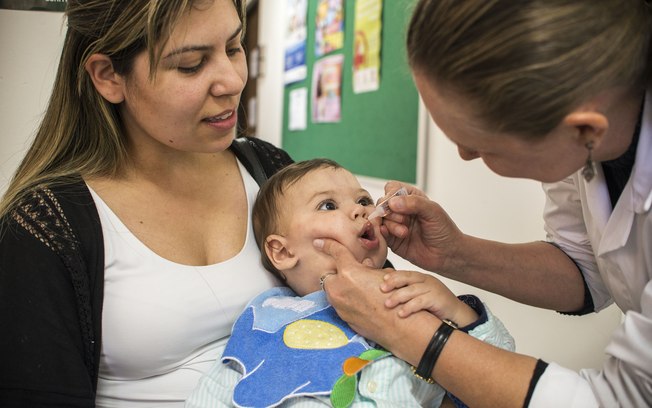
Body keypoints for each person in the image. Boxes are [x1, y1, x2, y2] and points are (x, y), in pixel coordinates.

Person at [312, 1, 652, 407]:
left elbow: (617, 401)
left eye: (480, 145)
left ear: (583, 129)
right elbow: (587, 268)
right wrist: (454, 253)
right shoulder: (578, 137)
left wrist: (402, 329)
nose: (464, 155)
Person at [0, 0, 294, 406]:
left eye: (233, 46)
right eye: (191, 64)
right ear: (108, 77)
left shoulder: (271, 170)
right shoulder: (46, 228)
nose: (230, 81)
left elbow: (361, 305)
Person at [185, 159, 515, 408]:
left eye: (363, 201)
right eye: (328, 205)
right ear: (282, 251)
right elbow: (217, 390)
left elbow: (499, 376)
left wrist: (457, 310)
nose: (359, 211)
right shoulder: (268, 315)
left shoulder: (408, 296)